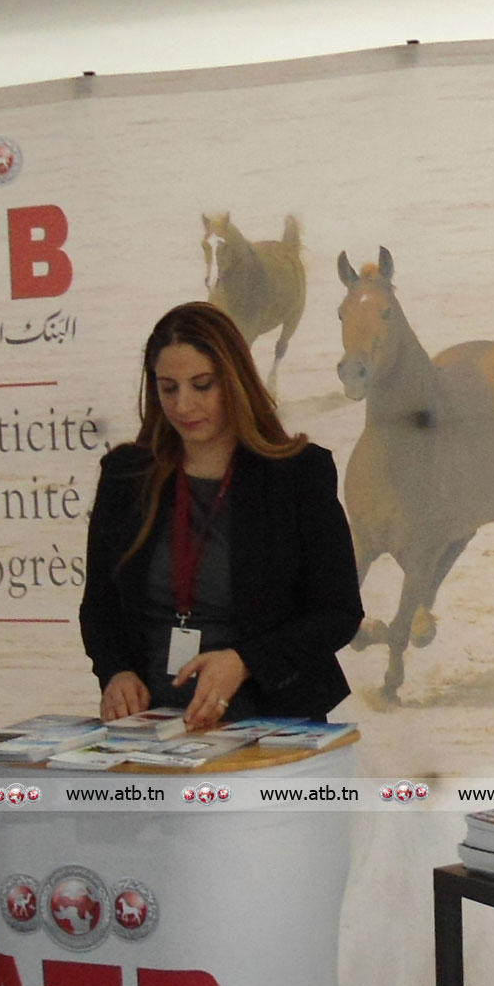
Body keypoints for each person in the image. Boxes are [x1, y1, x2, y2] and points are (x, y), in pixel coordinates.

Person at [80, 302, 363, 729]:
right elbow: (99, 607)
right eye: (168, 388)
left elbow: (338, 613)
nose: (183, 405)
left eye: (202, 385)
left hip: (271, 722)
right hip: (152, 726)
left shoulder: (297, 474)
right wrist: (116, 671)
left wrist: (244, 661)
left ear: (234, 379)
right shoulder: (126, 475)